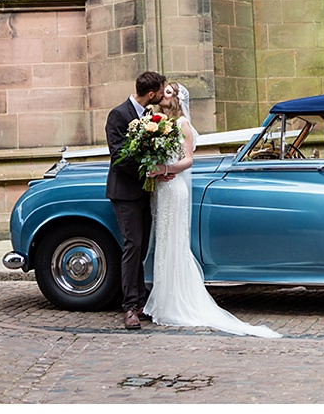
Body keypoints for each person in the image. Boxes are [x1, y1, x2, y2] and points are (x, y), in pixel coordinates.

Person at [143, 84, 281, 338]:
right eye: (163, 91)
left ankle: (177, 302)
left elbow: (187, 161)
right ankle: (162, 299)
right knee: (164, 242)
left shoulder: (182, 123)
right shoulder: (159, 122)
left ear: (177, 99)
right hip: (162, 190)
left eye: (169, 92)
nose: (163, 95)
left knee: (175, 242)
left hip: (174, 189)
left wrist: (164, 170)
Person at [105, 70, 166, 330]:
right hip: (125, 192)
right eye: (161, 91)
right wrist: (149, 166)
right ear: (151, 94)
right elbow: (118, 155)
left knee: (141, 249)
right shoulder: (118, 115)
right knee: (132, 246)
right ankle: (129, 306)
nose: (163, 95)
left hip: (144, 191)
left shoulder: (153, 117)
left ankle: (140, 301)